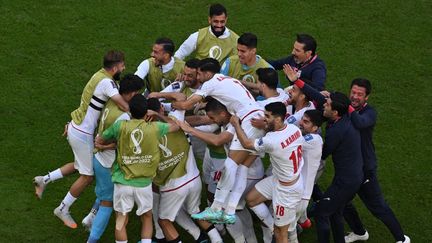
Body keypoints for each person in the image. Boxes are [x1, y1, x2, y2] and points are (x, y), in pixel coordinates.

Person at [33, 50, 129, 229]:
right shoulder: (107, 83)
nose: (124, 67)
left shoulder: (98, 75)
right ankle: (63, 208)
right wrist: (140, 112)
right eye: (122, 65)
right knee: (87, 175)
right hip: (82, 133)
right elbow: (123, 104)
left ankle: (44, 180)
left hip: (75, 127)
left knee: (79, 165)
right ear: (115, 67)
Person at [172, 58, 264, 224]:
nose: (198, 77)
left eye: (199, 74)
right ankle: (228, 212)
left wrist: (170, 103)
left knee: (230, 166)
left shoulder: (211, 82)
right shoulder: (228, 80)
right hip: (256, 115)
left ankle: (216, 209)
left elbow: (185, 105)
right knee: (242, 169)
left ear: (207, 73)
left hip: (248, 119)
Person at [177, 98, 263, 243]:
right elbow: (201, 119)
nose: (211, 120)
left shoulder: (235, 123)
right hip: (248, 171)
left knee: (225, 211)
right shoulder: (233, 118)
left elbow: (218, 140)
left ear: (223, 113)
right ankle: (252, 239)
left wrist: (189, 130)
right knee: (239, 209)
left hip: (248, 173)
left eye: (212, 117)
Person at [96, 94, 178, 243]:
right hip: (144, 183)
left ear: (130, 112)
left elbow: (101, 138)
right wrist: (158, 114)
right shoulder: (155, 128)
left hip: (122, 181)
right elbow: (176, 126)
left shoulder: (120, 126)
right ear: (146, 112)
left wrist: (105, 144)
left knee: (121, 220)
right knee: (146, 217)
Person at [292, 78, 364, 243]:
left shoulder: (336, 132)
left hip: (346, 181)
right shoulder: (344, 118)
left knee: (322, 212)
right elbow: (319, 97)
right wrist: (298, 81)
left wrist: (307, 142)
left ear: (335, 113)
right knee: (336, 212)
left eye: (328, 104)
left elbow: (321, 154)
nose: (324, 104)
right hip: (352, 176)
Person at [342, 79, 410, 243]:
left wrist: (346, 106)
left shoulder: (369, 112)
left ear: (367, 97)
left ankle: (401, 239)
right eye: (353, 92)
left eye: (360, 94)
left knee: (378, 207)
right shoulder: (346, 108)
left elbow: (360, 123)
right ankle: (359, 232)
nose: (355, 96)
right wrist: (299, 82)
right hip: (350, 169)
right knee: (341, 202)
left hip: (365, 170)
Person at [146, 98, 222, 243]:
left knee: (164, 221)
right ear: (161, 109)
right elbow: (180, 97)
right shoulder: (177, 121)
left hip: (173, 186)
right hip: (194, 179)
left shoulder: (146, 134)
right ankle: (215, 240)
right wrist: (160, 98)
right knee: (195, 211)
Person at [84, 74, 144, 242]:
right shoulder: (124, 117)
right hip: (108, 163)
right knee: (107, 204)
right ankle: (92, 240)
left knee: (103, 193)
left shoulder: (112, 100)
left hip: (99, 158)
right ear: (131, 94)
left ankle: (89, 218)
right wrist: (105, 146)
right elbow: (122, 145)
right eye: (138, 92)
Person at [235, 102, 304, 243]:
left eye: (267, 116)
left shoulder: (272, 141)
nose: (263, 118)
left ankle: (281, 228)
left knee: (281, 235)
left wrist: (236, 123)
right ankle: (276, 226)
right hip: (283, 178)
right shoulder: (294, 129)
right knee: (252, 199)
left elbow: (247, 144)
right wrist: (265, 125)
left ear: (278, 119)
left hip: (287, 191)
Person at [294, 110, 324, 238]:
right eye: (302, 119)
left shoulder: (313, 140)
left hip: (300, 196)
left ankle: (300, 224)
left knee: (282, 230)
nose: (300, 123)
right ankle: (303, 220)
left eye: (306, 122)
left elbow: (289, 142)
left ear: (315, 127)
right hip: (298, 190)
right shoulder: (311, 138)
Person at [174, 3, 239, 64]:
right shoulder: (198, 36)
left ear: (226, 20)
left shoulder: (236, 40)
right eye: (216, 21)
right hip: (200, 74)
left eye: (222, 22)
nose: (219, 25)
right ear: (209, 20)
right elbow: (179, 54)